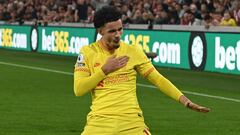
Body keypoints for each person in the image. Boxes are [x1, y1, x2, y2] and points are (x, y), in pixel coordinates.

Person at [73, 5, 210, 135]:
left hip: (132, 123)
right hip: (100, 123)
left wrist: (185, 101)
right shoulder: (87, 52)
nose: (118, 34)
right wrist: (104, 70)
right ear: (100, 31)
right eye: (112, 31)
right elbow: (79, 89)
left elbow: (158, 79)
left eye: (120, 29)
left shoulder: (132, 51)